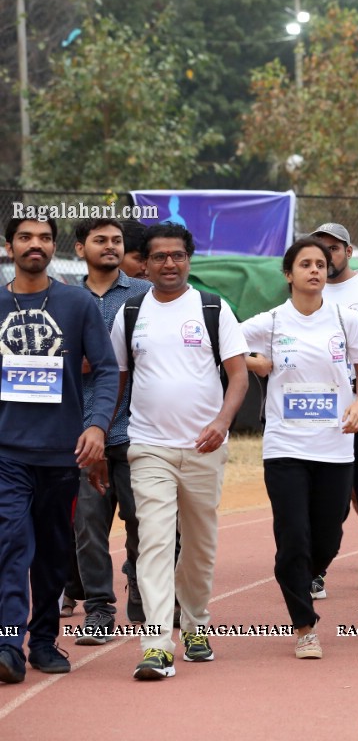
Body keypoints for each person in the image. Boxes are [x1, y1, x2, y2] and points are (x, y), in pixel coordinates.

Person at [110, 223, 249, 680]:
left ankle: (195, 624)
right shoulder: (130, 312)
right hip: (149, 446)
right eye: (160, 257)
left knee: (199, 546)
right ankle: (156, 644)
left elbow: (239, 375)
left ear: (188, 259)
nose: (170, 263)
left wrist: (221, 423)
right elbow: (117, 380)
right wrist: (101, 433)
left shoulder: (212, 307)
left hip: (205, 447)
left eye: (178, 255)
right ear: (144, 265)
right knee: (152, 542)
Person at [242, 237, 358, 659]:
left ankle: (301, 574)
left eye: (320, 263)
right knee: (293, 536)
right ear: (289, 274)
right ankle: (304, 626)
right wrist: (253, 361)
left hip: (335, 446)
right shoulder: (272, 322)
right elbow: (227, 344)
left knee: (328, 538)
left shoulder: (345, 318)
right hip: (285, 447)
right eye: (305, 264)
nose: (315, 270)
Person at [0, 217, 117, 684]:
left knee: (51, 554)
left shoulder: (76, 303)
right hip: (7, 453)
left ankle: (44, 641)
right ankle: (8, 642)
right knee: (11, 546)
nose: (36, 245)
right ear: (9, 246)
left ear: (55, 247)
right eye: (26, 238)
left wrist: (96, 426)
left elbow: (107, 370)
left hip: (62, 455)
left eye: (44, 238)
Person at [69, 218, 152, 645]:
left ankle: (139, 588)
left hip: (138, 430)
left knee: (145, 522)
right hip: (84, 435)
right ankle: (99, 610)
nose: (110, 247)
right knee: (88, 526)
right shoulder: (63, 297)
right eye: (100, 240)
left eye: (117, 241)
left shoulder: (146, 295)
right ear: (80, 248)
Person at [309, 222, 358, 594]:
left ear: (349, 251)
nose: (326, 257)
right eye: (319, 250)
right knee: (327, 495)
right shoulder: (305, 290)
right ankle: (316, 567)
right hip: (317, 407)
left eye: (334, 249)